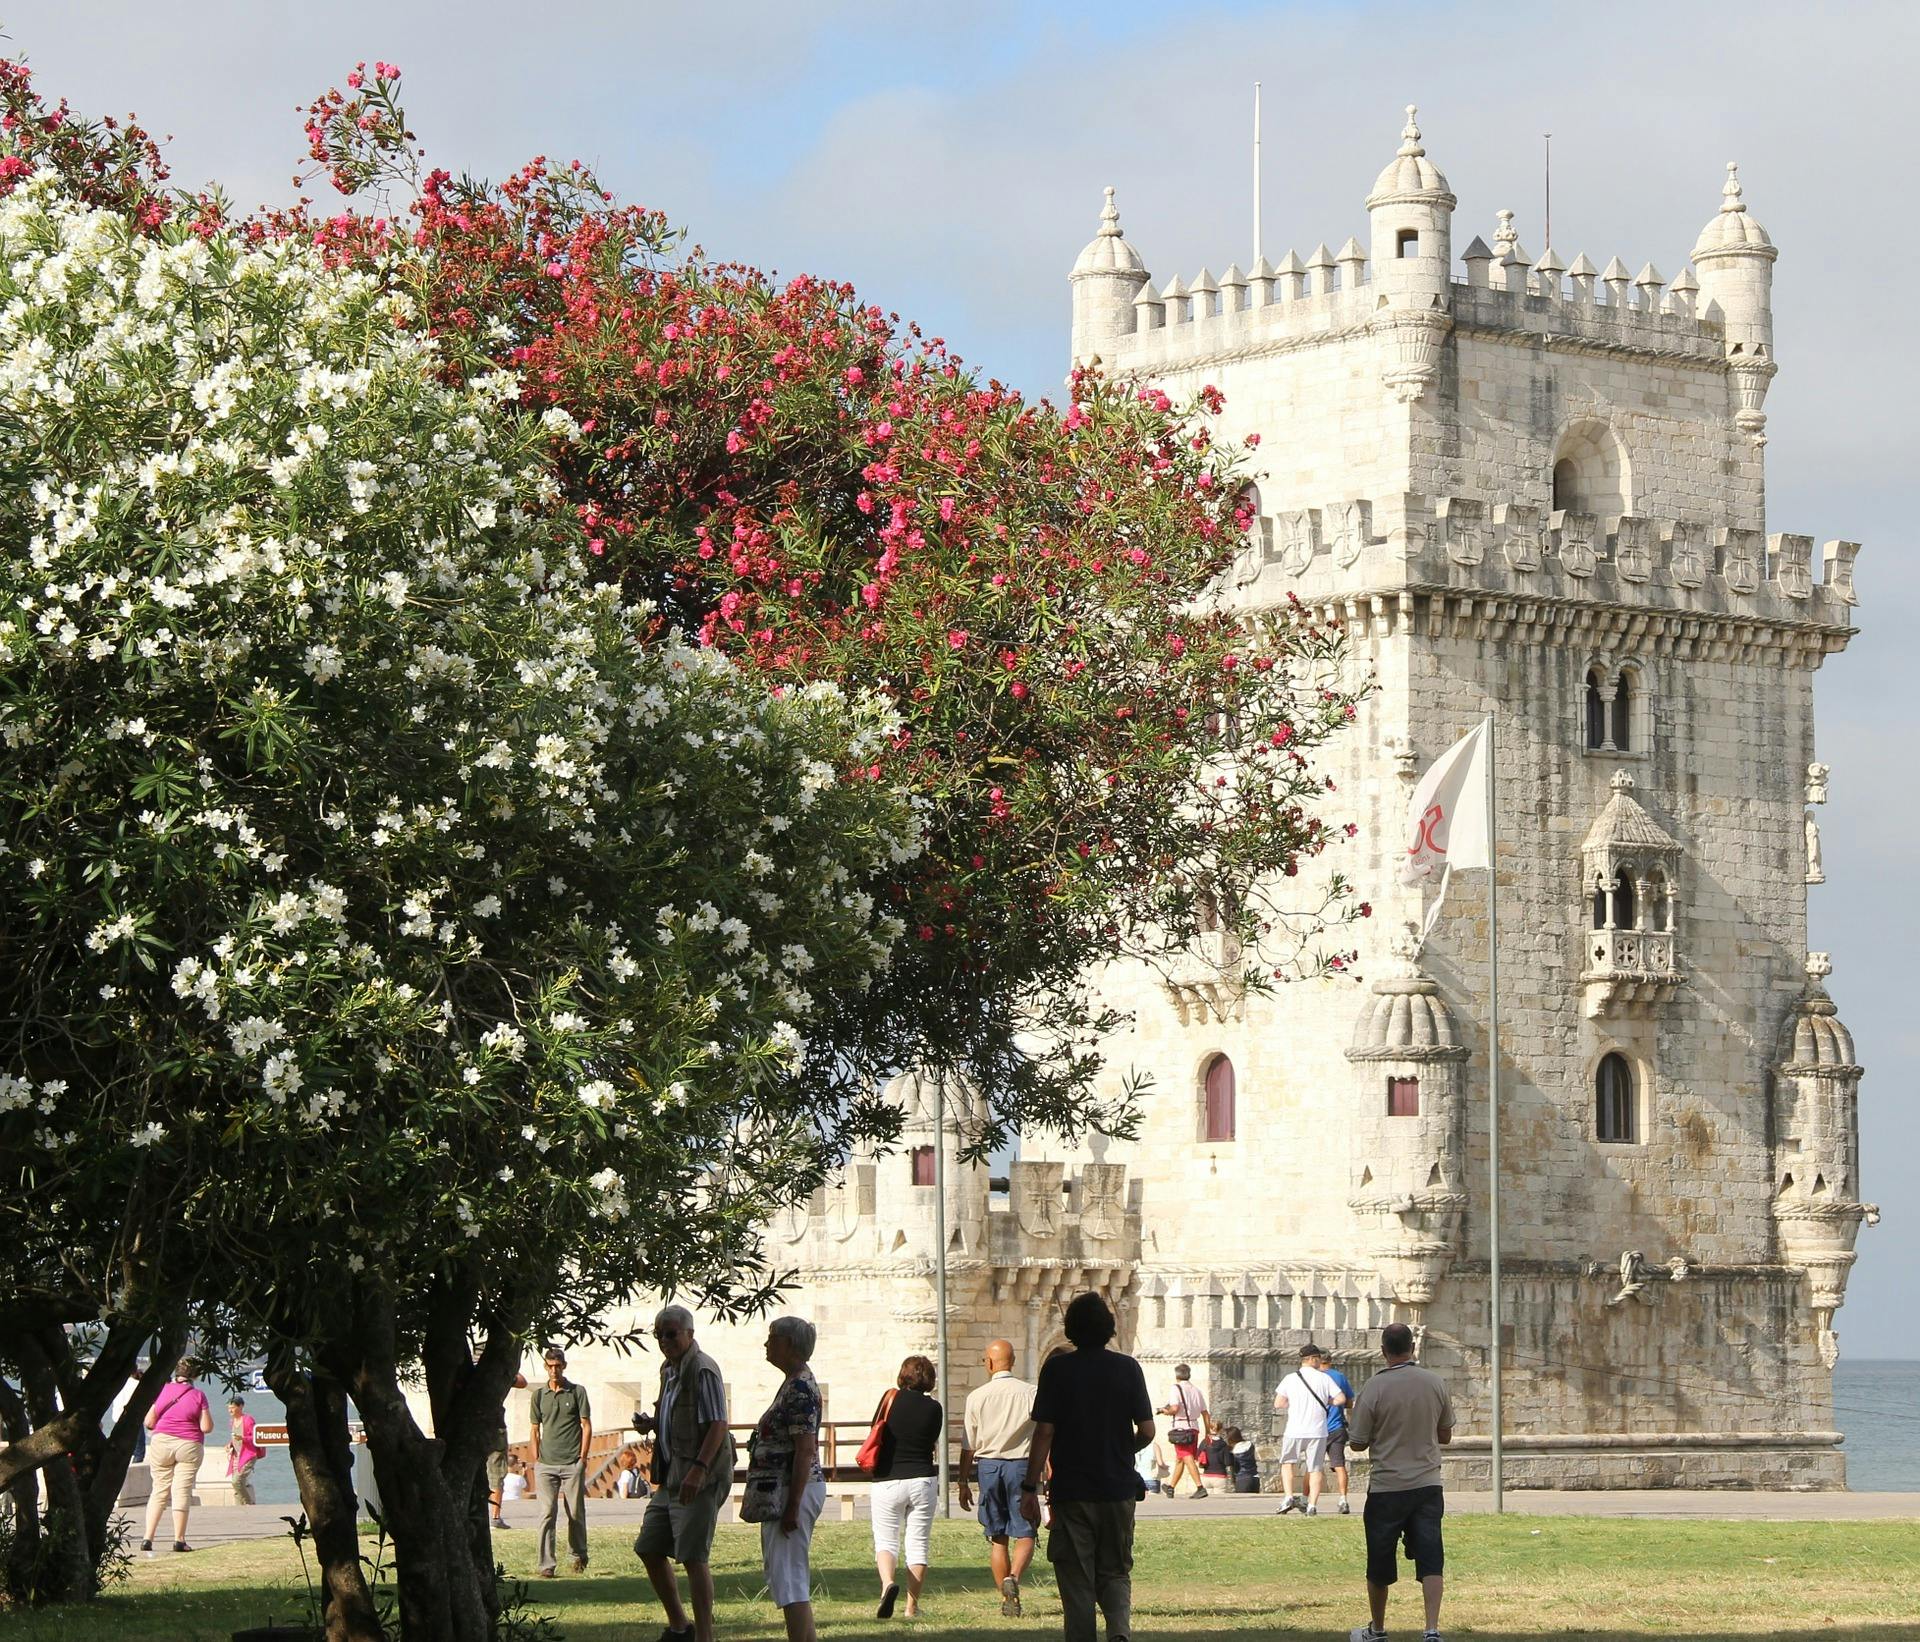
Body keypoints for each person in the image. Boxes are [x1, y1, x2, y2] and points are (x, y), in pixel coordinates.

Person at [1021, 1292, 1153, 1642]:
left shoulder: (1057, 1370)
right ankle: (1119, 1631)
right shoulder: (1128, 1368)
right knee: (1116, 1569)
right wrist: (1122, 1450)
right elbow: (1148, 1430)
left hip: (1072, 1489)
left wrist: (1030, 1487)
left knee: (1076, 1576)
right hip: (1118, 1487)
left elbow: (1044, 1432)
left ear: (1071, 1329)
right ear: (1109, 1328)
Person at [632, 1305, 735, 1642]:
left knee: (693, 1557)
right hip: (671, 1476)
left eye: (671, 1334)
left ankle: (704, 1636)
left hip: (699, 1478)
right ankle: (680, 1626)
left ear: (689, 1333)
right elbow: (677, 1415)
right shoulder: (669, 1370)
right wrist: (652, 1423)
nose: (664, 1340)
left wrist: (699, 1470)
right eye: (659, 1334)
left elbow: (718, 1424)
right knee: (648, 1547)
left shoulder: (703, 1369)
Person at [1346, 1322, 1453, 1642]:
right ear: (1413, 1347)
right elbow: (1445, 1435)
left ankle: (1378, 1629)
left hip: (1387, 1486)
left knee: (1379, 1560)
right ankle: (1431, 1629)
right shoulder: (1435, 1382)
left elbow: (1357, 1443)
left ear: (1383, 1351)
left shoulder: (1374, 1388)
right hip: (1427, 1483)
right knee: (1431, 1558)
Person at [751, 1315, 828, 1642]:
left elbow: (805, 1449)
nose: (766, 1344)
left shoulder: (799, 1388)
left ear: (790, 1345)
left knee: (790, 1578)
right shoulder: (794, 1383)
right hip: (784, 1491)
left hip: (792, 1491)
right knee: (787, 1576)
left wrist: (793, 1506)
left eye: (773, 1338)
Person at [957, 1337, 1038, 1617]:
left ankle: (1006, 1599)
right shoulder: (1031, 1393)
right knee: (1026, 1530)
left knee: (997, 1535)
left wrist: (963, 1481)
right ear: (1013, 1361)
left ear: (989, 1363)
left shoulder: (977, 1396)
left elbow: (968, 1443)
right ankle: (1013, 1578)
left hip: (989, 1466)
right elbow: (1043, 1433)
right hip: (1021, 1465)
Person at [868, 1353, 943, 1620]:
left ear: (903, 1375)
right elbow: (931, 1441)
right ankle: (911, 1607)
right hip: (922, 1479)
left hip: (888, 1478)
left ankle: (888, 1585)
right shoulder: (935, 1408)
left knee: (886, 1540)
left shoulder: (890, 1399)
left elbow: (875, 1429)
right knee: (918, 1544)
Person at [529, 1346, 593, 1579]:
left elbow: (586, 1425)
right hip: (546, 1464)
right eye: (550, 1366)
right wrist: (536, 1459)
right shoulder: (538, 1395)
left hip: (572, 1462)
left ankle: (578, 1556)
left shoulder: (577, 1392)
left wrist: (583, 1458)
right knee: (547, 1513)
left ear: (564, 1366)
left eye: (557, 1366)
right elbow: (534, 1429)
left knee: (575, 1512)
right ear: (545, 1367)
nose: (554, 1370)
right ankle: (546, 1564)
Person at [141, 1358, 212, 1555]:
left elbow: (149, 1422)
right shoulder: (198, 1395)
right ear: (195, 1376)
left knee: (159, 1490)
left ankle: (148, 1538)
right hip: (189, 1445)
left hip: (161, 1443)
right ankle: (179, 1540)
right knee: (181, 1491)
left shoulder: (162, 1390)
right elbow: (206, 1427)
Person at [1273, 1341, 1346, 1516]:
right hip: (1318, 1431)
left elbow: (1279, 1403)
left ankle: (1288, 1496)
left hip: (1295, 1429)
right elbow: (1341, 1399)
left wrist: (1294, 1404)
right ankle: (1312, 1505)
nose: (1320, 1362)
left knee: (1288, 1463)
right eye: (1318, 1359)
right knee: (1315, 1468)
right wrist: (1328, 1401)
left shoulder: (1290, 1378)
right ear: (1313, 1359)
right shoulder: (1324, 1378)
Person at [1315, 1347, 1358, 1516]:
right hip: (1337, 1426)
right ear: (1330, 1360)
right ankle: (1343, 1499)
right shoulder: (1339, 1377)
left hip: (1318, 1428)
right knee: (1339, 1465)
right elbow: (1349, 1402)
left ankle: (1308, 1500)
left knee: (1313, 1466)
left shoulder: (1315, 1377)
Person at [1157, 1363, 1210, 1499]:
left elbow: (1174, 1409)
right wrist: (1208, 1431)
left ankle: (1200, 1487)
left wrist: (1164, 1411)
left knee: (1186, 1456)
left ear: (1177, 1376)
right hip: (1193, 1428)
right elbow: (1205, 1413)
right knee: (1180, 1459)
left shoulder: (1176, 1388)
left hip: (1181, 1428)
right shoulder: (1196, 1390)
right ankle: (1171, 1487)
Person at [487, 1367, 530, 1530]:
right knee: (497, 1474)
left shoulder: (465, 1372)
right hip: (495, 1425)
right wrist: (509, 1367)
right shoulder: (496, 1372)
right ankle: (495, 1516)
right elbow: (522, 1382)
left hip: (471, 1425)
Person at [225, 1396, 265, 1506]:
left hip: (248, 1455)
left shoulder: (248, 1420)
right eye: (229, 1408)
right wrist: (230, 1444)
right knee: (237, 1485)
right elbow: (235, 1437)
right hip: (236, 1456)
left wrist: (243, 1439)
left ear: (241, 1406)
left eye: (232, 1408)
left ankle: (248, 1503)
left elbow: (256, 1437)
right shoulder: (232, 1421)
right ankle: (239, 1509)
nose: (230, 1410)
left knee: (236, 1481)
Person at [1226, 1427, 1261, 1494]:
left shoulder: (1233, 1450)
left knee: (1243, 1499)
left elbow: (1229, 1463)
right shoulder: (1250, 1444)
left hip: (1242, 1478)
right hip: (1255, 1477)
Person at [1199, 1427, 1231, 1492]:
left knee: (1208, 1497)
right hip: (1220, 1476)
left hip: (1206, 1476)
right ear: (1220, 1430)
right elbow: (1228, 1462)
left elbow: (1198, 1457)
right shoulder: (1223, 1444)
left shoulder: (1204, 1442)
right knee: (1219, 1497)